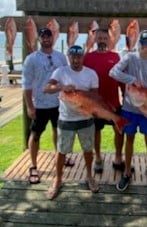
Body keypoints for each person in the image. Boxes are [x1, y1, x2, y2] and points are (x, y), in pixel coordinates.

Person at [109, 30, 147, 196]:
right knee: (129, 140)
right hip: (129, 109)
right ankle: (126, 173)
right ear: (138, 44)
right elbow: (113, 72)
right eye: (142, 44)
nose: (145, 47)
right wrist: (131, 80)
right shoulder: (129, 58)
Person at [44, 45, 99, 200]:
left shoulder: (91, 74)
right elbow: (47, 88)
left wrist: (89, 109)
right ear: (68, 56)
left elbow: (95, 98)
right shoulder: (61, 72)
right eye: (73, 56)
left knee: (88, 150)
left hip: (86, 119)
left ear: (83, 57)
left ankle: (89, 176)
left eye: (79, 56)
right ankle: (58, 179)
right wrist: (62, 87)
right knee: (61, 151)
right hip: (66, 119)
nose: (76, 60)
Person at [22, 27, 72, 184]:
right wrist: (30, 106)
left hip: (59, 103)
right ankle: (33, 165)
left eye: (49, 36)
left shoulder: (61, 57)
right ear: (39, 39)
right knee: (35, 134)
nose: (46, 39)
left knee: (58, 131)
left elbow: (65, 78)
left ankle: (59, 156)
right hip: (40, 105)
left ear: (53, 38)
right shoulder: (31, 59)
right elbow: (26, 85)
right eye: (43, 37)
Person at [83, 29, 126, 173]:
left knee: (119, 130)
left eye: (104, 38)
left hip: (114, 103)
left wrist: (125, 95)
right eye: (99, 38)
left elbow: (121, 78)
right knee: (95, 131)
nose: (102, 40)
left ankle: (118, 157)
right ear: (95, 40)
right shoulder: (87, 57)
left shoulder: (115, 56)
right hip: (95, 104)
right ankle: (98, 158)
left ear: (109, 40)